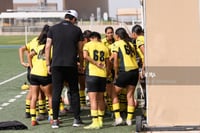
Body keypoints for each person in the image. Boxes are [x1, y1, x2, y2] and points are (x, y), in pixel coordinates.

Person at [45, 9, 84, 128]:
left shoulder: (53, 29)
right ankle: (76, 119)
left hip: (56, 65)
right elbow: (80, 50)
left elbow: (47, 47)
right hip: (71, 64)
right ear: (74, 19)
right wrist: (81, 65)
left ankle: (55, 120)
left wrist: (48, 64)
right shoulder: (77, 30)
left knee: (56, 92)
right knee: (74, 91)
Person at [111, 27, 139, 126]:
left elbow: (115, 61)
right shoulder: (131, 44)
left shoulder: (116, 44)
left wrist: (116, 74)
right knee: (130, 95)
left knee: (113, 93)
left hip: (125, 71)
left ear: (117, 36)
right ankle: (129, 119)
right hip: (135, 71)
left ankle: (118, 117)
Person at [27, 24, 53, 126]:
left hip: (34, 74)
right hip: (44, 74)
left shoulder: (38, 46)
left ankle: (33, 119)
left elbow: (29, 55)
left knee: (34, 97)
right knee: (50, 96)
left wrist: (31, 67)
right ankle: (52, 118)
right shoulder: (51, 47)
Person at [83, 32, 109, 129]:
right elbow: (107, 62)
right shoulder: (104, 47)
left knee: (93, 99)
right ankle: (101, 120)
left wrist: (95, 63)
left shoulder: (88, 45)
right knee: (101, 98)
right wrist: (107, 72)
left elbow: (85, 56)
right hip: (102, 74)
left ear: (93, 38)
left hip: (92, 74)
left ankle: (95, 121)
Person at [101, 26, 115, 114]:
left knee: (113, 87)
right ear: (105, 33)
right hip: (106, 68)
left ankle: (114, 107)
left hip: (115, 67)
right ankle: (108, 107)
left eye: (111, 32)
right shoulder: (102, 42)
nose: (110, 34)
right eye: (108, 33)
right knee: (106, 88)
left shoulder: (116, 41)